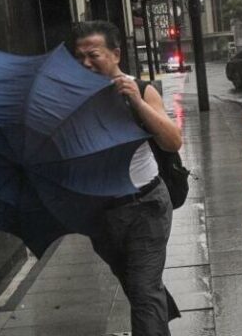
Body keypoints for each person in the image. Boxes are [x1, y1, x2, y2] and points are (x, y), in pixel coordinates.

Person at [67, 21, 183, 336]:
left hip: (146, 206)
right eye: (79, 58)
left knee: (143, 290)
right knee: (137, 286)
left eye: (93, 55)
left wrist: (137, 101)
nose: (86, 64)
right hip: (101, 214)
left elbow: (172, 142)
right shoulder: (73, 101)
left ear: (115, 54)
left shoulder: (141, 89)